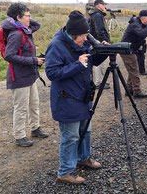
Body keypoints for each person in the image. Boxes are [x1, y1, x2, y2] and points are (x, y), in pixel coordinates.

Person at [45, 10, 108, 184]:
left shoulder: (82, 41)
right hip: (66, 99)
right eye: (83, 36)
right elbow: (51, 73)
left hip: (83, 96)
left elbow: (92, 61)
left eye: (87, 35)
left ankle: (83, 158)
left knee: (85, 130)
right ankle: (64, 172)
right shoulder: (56, 45)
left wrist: (103, 50)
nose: (86, 39)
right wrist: (77, 65)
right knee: (71, 136)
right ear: (72, 35)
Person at [2, 2, 48, 147]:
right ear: (18, 17)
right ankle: (19, 136)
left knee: (34, 104)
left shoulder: (24, 29)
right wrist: (33, 60)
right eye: (27, 16)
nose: (30, 18)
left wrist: (22, 18)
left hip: (30, 74)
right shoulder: (16, 34)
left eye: (29, 16)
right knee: (21, 107)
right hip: (19, 77)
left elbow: (37, 25)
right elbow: (9, 56)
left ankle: (35, 128)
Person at [120, 10, 147, 98]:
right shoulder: (135, 24)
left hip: (130, 49)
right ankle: (137, 91)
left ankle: (129, 90)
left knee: (132, 70)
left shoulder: (139, 23)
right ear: (143, 18)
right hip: (126, 50)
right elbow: (142, 33)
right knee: (135, 71)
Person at [87, 0, 110, 89]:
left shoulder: (95, 14)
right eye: (103, 4)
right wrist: (104, 41)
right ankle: (99, 82)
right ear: (98, 5)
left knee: (100, 63)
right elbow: (99, 30)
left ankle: (99, 81)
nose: (105, 6)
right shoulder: (97, 15)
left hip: (97, 41)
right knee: (100, 63)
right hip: (100, 42)